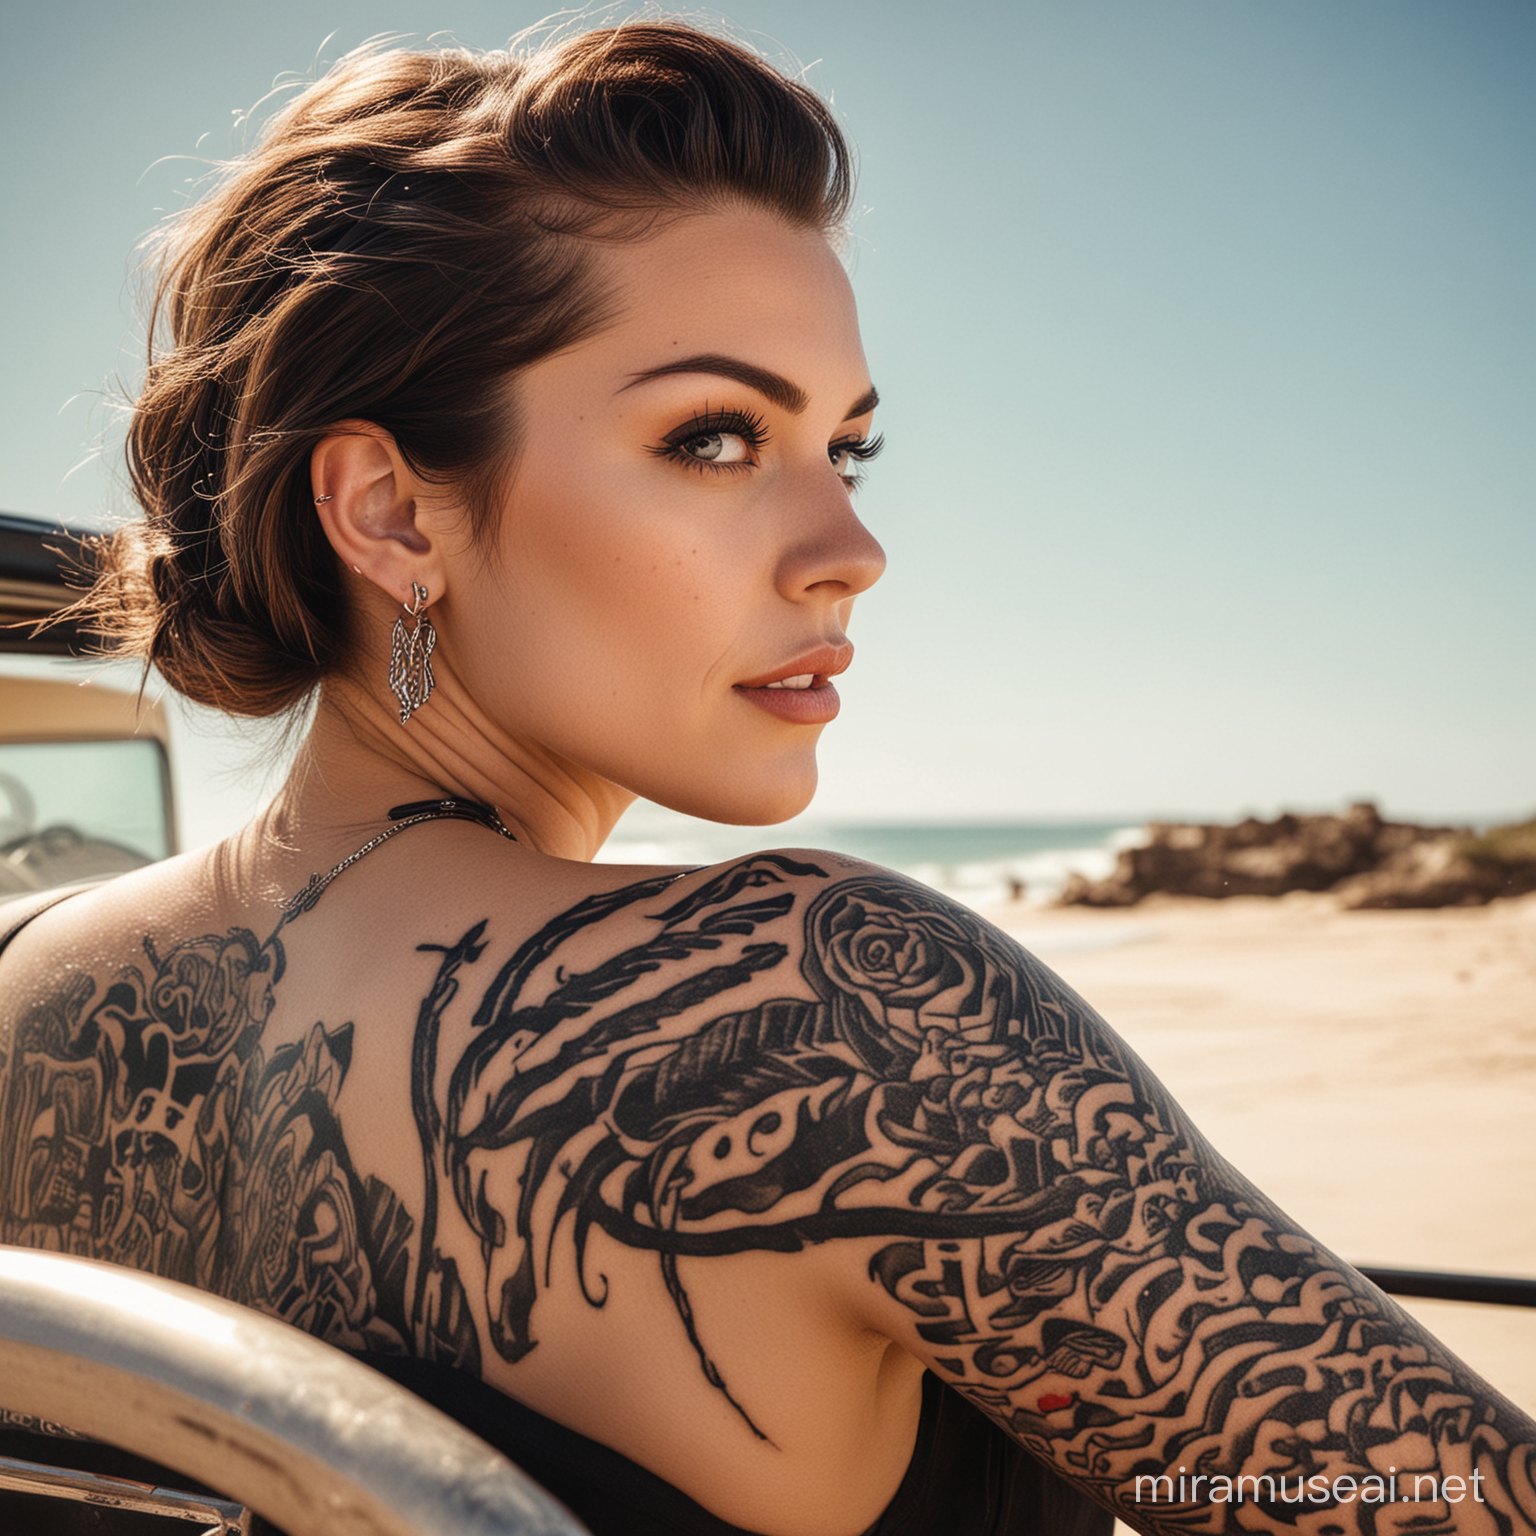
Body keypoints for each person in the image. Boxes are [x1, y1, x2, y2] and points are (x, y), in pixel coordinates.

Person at [1, 21, 1532, 1536]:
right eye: (715, 438)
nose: (852, 553)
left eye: (844, 451)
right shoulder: (829, 1006)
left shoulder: (21, 990)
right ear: (395, 514)